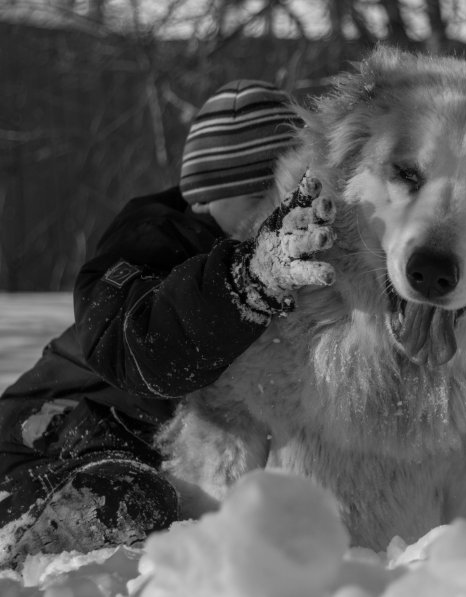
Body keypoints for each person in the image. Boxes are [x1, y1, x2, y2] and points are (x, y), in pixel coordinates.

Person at [0, 80, 335, 568]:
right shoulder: (151, 239)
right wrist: (246, 281)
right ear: (207, 194)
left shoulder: (285, 258)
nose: (280, 210)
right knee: (130, 497)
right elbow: (143, 349)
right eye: (266, 192)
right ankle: (23, 540)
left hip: (146, 443)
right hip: (56, 421)